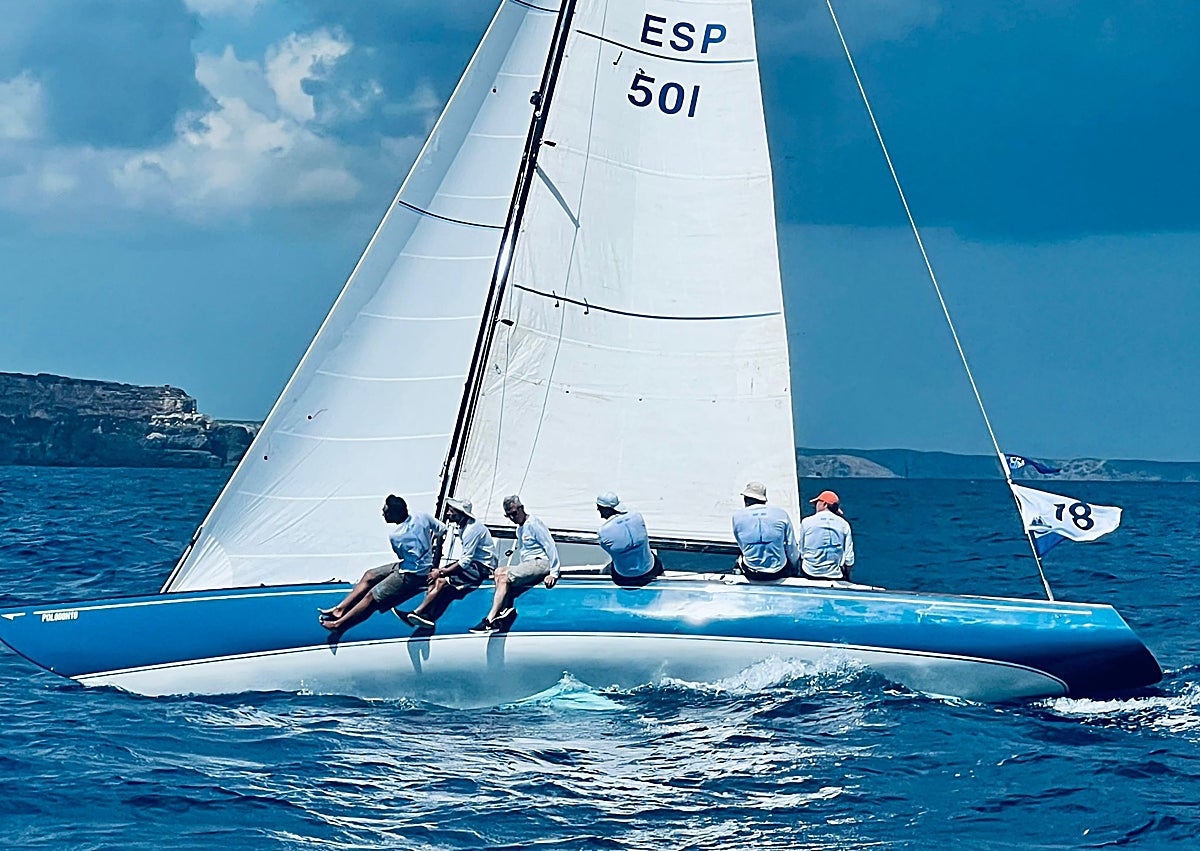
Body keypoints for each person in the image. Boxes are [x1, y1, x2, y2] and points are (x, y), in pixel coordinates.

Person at [319, 494, 446, 631]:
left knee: (371, 596)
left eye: (385, 511)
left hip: (412, 575)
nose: (382, 513)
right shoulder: (422, 516)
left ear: (394, 514)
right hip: (410, 566)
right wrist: (434, 552)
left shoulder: (396, 536)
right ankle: (339, 609)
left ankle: (338, 624)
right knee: (370, 575)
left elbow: (400, 555)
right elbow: (442, 530)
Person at [469, 495, 560, 633]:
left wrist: (554, 573)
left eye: (514, 513)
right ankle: (505, 610)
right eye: (509, 516)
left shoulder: (533, 524)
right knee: (498, 572)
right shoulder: (520, 529)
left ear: (521, 508)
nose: (512, 518)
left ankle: (489, 619)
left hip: (540, 562)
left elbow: (550, 546)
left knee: (505, 576)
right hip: (530, 564)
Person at [402, 496, 497, 628]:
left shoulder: (471, 530)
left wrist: (441, 572)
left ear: (461, 513)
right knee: (435, 578)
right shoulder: (462, 526)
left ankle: (417, 612)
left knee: (441, 580)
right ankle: (428, 615)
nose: (448, 513)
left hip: (482, 567)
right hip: (474, 563)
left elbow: (465, 561)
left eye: (451, 511)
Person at [731, 481, 800, 581]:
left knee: (741, 558)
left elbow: (742, 545)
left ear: (746, 499)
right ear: (764, 499)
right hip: (778, 571)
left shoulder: (737, 516)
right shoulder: (781, 514)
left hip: (752, 572)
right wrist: (794, 568)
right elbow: (791, 545)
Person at [595, 491, 662, 587]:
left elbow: (613, 551)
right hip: (650, 568)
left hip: (624, 576)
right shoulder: (637, 517)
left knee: (607, 570)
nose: (598, 511)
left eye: (599, 508)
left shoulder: (603, 532)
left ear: (606, 510)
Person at [799, 489, 855, 580]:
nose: (815, 506)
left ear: (824, 504)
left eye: (817, 503)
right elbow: (849, 558)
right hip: (834, 575)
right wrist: (847, 577)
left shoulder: (806, 522)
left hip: (809, 573)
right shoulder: (844, 524)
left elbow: (801, 551)